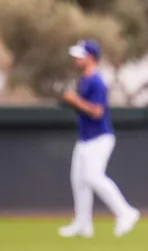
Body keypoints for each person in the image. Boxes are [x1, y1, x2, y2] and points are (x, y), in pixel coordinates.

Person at [58, 39, 141, 238]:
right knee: (78, 180)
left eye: (81, 55)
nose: (77, 59)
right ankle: (83, 224)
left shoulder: (97, 82)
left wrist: (74, 100)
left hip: (99, 138)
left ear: (91, 57)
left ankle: (126, 212)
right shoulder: (85, 79)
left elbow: (97, 112)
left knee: (94, 177)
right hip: (85, 138)